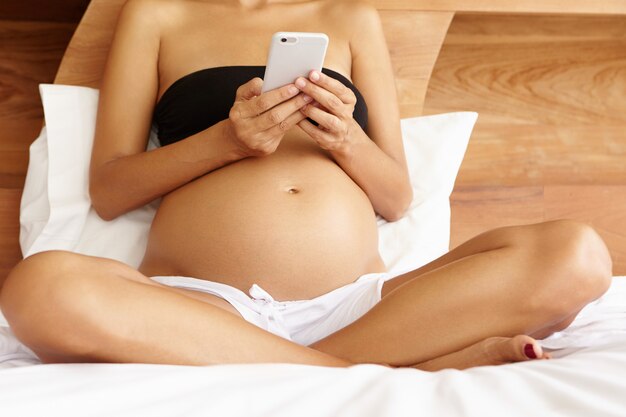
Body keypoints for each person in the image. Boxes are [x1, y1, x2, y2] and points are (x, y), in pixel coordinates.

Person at [0, 0, 613, 370]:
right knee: (40, 287)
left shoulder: (350, 14)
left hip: (365, 306)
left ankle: (325, 361)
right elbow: (110, 190)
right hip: (197, 308)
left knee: (577, 255)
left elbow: (397, 198)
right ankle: (397, 368)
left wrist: (345, 136)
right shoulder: (157, 11)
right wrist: (227, 141)